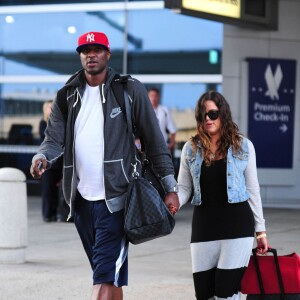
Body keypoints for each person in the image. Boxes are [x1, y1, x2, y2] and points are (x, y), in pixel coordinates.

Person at [30, 31, 179, 300]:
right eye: (86, 51)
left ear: (107, 54)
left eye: (97, 49)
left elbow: (155, 142)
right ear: (80, 56)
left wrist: (170, 187)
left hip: (118, 199)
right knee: (109, 276)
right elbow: (52, 140)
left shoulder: (129, 89)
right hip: (81, 201)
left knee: (102, 278)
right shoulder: (67, 95)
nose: (91, 55)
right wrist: (41, 158)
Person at [177, 90, 268, 300]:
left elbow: (253, 190)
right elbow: (184, 188)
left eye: (213, 114)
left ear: (223, 114)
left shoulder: (243, 147)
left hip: (237, 228)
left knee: (226, 294)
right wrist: (172, 204)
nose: (207, 119)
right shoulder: (190, 149)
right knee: (204, 294)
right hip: (203, 228)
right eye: (202, 115)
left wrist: (260, 231)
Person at [39, 100, 62, 222]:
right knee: (47, 189)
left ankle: (58, 213)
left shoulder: (59, 122)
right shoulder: (43, 123)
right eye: (49, 107)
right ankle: (47, 214)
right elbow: (48, 139)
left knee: (59, 190)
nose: (52, 109)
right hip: (47, 163)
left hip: (60, 161)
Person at [147, 87, 177, 152]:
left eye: (155, 96)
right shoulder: (143, 111)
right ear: (147, 97)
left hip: (162, 146)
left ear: (159, 97)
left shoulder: (164, 110)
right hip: (147, 147)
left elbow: (172, 129)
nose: (153, 98)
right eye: (151, 96)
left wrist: (171, 144)